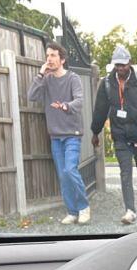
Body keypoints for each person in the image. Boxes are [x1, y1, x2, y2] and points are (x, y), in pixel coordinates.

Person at [91, 45, 137, 225]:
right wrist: (95, 131)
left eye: (123, 65)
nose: (120, 68)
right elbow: (100, 110)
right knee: (125, 172)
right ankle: (130, 210)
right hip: (120, 136)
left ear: (130, 63)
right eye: (117, 65)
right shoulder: (107, 84)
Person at [28, 42, 89, 225]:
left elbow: (79, 101)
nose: (49, 59)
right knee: (63, 176)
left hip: (72, 134)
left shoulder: (73, 78)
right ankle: (72, 212)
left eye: (53, 55)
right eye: (47, 55)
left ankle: (84, 207)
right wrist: (40, 74)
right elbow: (31, 96)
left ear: (62, 59)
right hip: (55, 136)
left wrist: (65, 106)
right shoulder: (46, 80)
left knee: (70, 169)